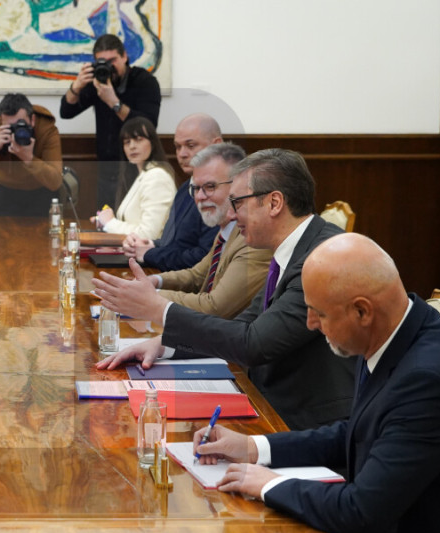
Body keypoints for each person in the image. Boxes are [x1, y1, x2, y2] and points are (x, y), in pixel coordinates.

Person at [194, 233, 440, 533]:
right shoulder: (397, 331)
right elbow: (357, 431)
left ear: (362, 311)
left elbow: (363, 512)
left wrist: (270, 484)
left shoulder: (427, 379)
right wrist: (252, 447)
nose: (310, 323)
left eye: (319, 312)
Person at [94, 149, 354, 431]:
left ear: (274, 203)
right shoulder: (290, 247)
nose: (231, 213)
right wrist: (165, 345)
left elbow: (254, 344)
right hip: (272, 402)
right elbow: (243, 326)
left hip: (306, 423)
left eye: (237, 202)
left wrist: (160, 309)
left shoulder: (322, 257)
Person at [149, 143, 272, 318]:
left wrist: (151, 296)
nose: (199, 197)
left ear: (237, 186)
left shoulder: (254, 238)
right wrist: (154, 281)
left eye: (210, 187)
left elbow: (214, 306)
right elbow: (196, 275)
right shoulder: (226, 230)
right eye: (196, 188)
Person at [60, 33, 161, 204]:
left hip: (137, 168)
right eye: (102, 61)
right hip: (106, 169)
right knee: (105, 218)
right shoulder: (98, 82)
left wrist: (114, 102)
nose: (108, 67)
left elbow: (148, 125)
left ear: (124, 56)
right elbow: (66, 112)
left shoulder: (145, 82)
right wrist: (76, 87)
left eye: (112, 60)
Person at [122, 114, 223, 271]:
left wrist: (150, 254)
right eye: (177, 147)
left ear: (216, 145)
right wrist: (149, 244)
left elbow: (204, 258)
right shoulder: (185, 188)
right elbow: (176, 243)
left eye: (190, 145)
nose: (182, 154)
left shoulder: (222, 193)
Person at [0, 92, 63, 216]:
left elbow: (55, 182)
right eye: (10, 127)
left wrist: (29, 159)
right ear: (1, 123)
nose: (16, 132)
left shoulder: (46, 129)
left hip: (40, 191)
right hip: (2, 192)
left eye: (20, 125)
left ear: (32, 120)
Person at [89, 117, 175, 240]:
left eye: (138, 140)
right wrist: (105, 222)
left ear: (153, 143)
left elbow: (148, 234)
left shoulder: (157, 176)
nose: (132, 146)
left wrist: (110, 223)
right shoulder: (143, 175)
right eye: (127, 142)